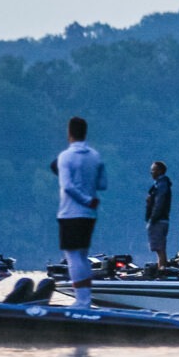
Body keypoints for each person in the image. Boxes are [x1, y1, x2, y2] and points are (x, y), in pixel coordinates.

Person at [54, 116, 105, 307]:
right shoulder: (95, 156)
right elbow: (102, 183)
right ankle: (86, 298)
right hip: (89, 215)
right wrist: (90, 198)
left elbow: (66, 186)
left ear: (69, 133)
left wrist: (85, 199)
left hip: (70, 212)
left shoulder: (65, 157)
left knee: (72, 256)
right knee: (82, 256)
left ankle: (81, 300)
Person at [144, 161, 174, 263]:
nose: (151, 172)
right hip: (161, 219)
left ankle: (162, 269)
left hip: (159, 220)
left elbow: (159, 203)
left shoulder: (161, 185)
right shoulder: (160, 184)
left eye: (153, 170)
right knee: (159, 248)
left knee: (159, 248)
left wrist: (152, 219)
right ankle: (161, 268)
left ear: (160, 171)